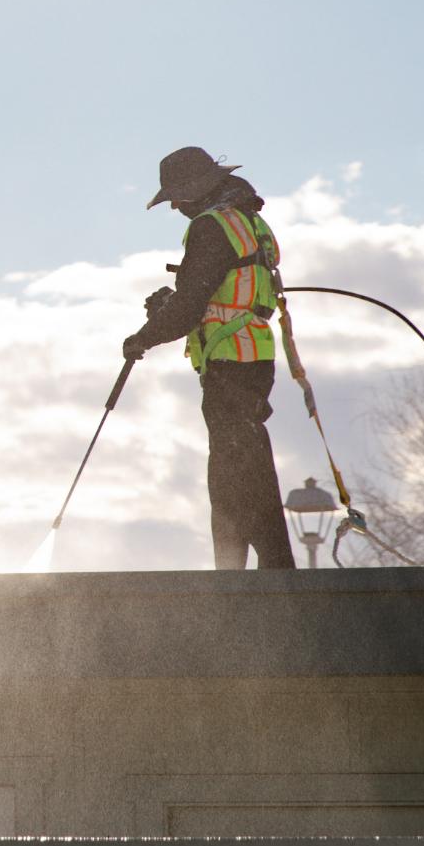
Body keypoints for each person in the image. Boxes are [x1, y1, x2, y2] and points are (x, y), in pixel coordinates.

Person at [122, 146, 296, 570]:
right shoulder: (248, 222)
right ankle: (270, 569)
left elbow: (192, 303)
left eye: (177, 198)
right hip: (254, 356)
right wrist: (171, 304)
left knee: (231, 475)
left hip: (228, 362)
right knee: (248, 466)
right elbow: (220, 291)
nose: (176, 206)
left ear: (196, 191)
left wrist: (143, 337)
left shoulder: (211, 226)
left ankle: (237, 579)